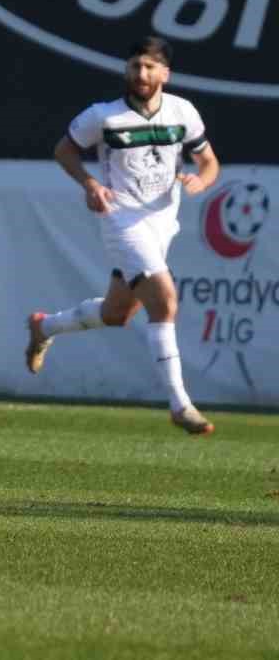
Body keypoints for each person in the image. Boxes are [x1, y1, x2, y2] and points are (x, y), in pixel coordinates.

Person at [25, 36, 219, 436]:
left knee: (118, 314)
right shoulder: (103, 116)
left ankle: (44, 328)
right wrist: (90, 184)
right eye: (135, 66)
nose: (141, 74)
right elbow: (64, 151)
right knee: (164, 300)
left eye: (149, 67)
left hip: (163, 222)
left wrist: (200, 180)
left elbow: (209, 161)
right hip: (121, 220)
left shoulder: (183, 112)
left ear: (165, 73)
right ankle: (180, 404)